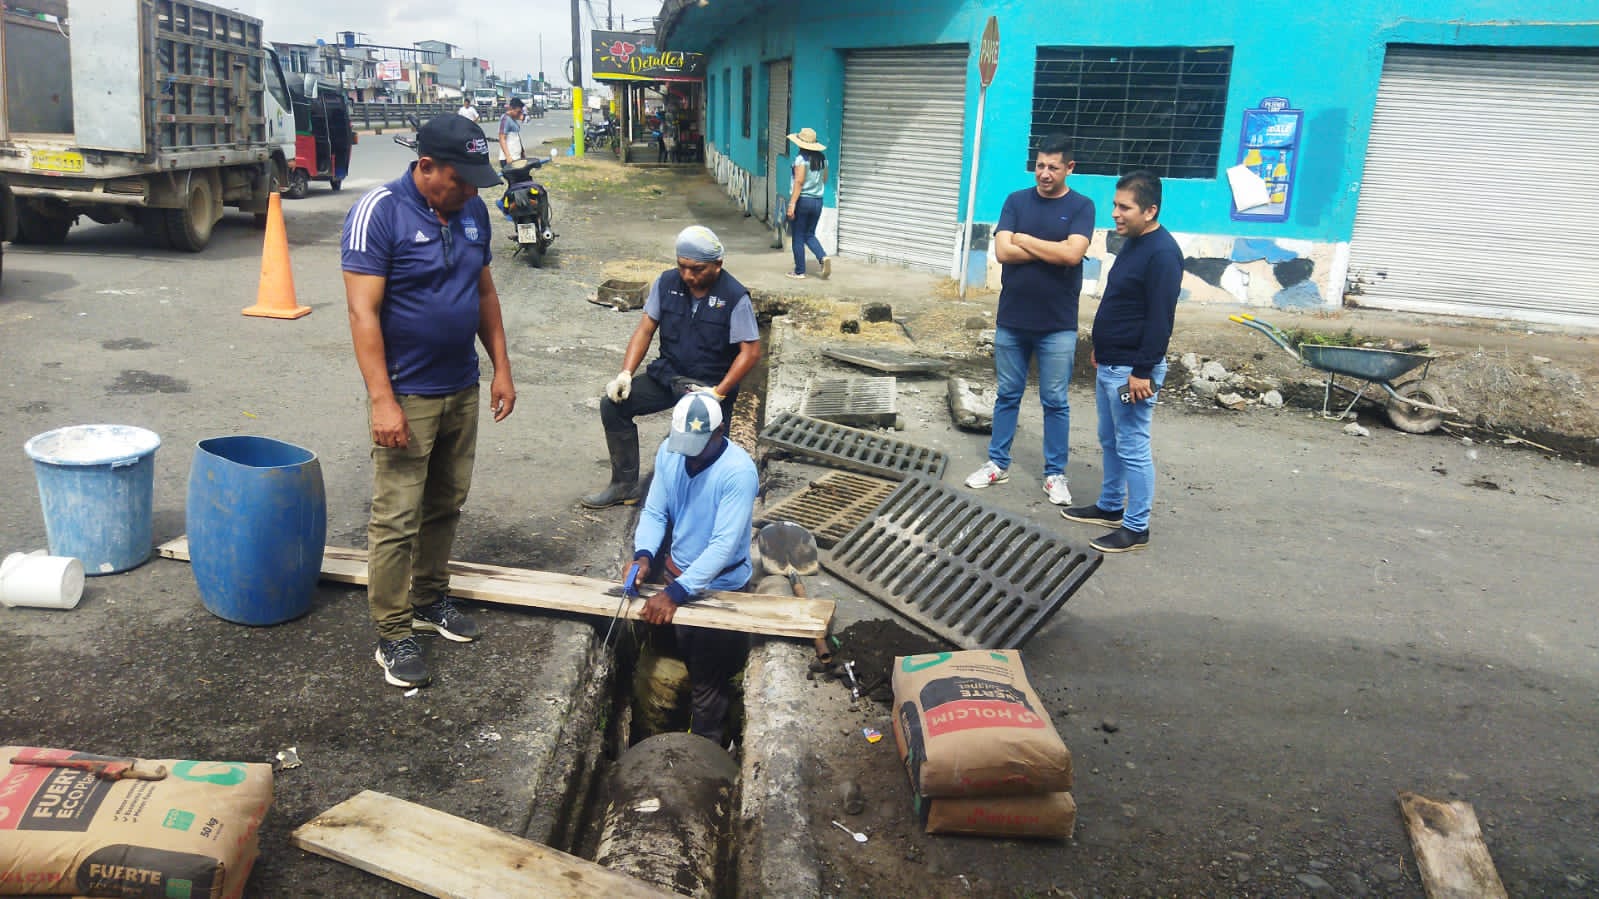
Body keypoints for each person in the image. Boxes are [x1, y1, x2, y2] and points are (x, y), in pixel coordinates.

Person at [342, 115, 516, 687]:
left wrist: (500, 369)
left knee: (446, 503)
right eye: (459, 179)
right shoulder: (380, 212)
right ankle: (393, 633)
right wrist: (382, 401)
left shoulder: (472, 211)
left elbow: (483, 292)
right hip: (407, 393)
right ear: (425, 167)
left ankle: (429, 598)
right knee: (396, 518)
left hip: (460, 387)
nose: (468, 191)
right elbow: (362, 313)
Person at [581, 225, 761, 509]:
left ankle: (696, 504)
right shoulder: (666, 283)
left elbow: (750, 353)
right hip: (669, 375)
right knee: (613, 406)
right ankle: (624, 485)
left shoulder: (734, 296)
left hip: (710, 385)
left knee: (700, 448)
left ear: (717, 264)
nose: (688, 275)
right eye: (682, 266)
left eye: (697, 269)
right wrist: (625, 373)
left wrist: (719, 393)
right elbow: (645, 329)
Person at [964, 134, 1094, 507]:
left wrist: (1024, 238)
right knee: (1007, 394)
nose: (1045, 173)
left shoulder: (1082, 206)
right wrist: (1052, 249)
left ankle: (1055, 474)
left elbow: (1073, 256)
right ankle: (997, 463)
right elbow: (1003, 252)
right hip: (1012, 320)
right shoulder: (1016, 201)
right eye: (1040, 165)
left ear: (1069, 168)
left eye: (1053, 167)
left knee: (1055, 400)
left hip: (1058, 324)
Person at [1061, 171, 1182, 553]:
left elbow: (1160, 318)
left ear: (1150, 210)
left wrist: (1143, 371)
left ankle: (1136, 526)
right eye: (1115, 205)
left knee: (1133, 445)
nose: (1115, 213)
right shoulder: (1134, 243)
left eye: (1124, 207)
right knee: (1110, 440)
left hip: (1133, 371)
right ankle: (1111, 506)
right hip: (1112, 362)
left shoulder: (1163, 253)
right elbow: (1123, 303)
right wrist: (1102, 347)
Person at [629, 392, 758, 747]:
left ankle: (707, 750)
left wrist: (675, 594)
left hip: (720, 587)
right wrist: (643, 555)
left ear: (719, 432)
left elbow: (723, 545)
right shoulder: (670, 452)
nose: (690, 455)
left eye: (697, 447)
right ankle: (653, 744)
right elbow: (655, 512)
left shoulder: (738, 472)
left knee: (708, 685)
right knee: (661, 674)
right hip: (675, 577)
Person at [784, 127, 830, 280]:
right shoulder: (823, 159)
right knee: (809, 234)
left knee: (798, 236)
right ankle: (823, 257)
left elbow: (799, 181)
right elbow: (824, 179)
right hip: (818, 201)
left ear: (800, 143)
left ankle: (799, 271)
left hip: (803, 201)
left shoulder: (800, 159)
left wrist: (792, 204)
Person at [498, 97, 526, 166]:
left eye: (521, 112)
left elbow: (517, 137)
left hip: (516, 157)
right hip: (509, 159)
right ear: (511, 108)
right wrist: (508, 157)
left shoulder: (513, 120)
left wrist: (522, 152)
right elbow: (502, 139)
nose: (519, 114)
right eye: (518, 112)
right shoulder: (505, 119)